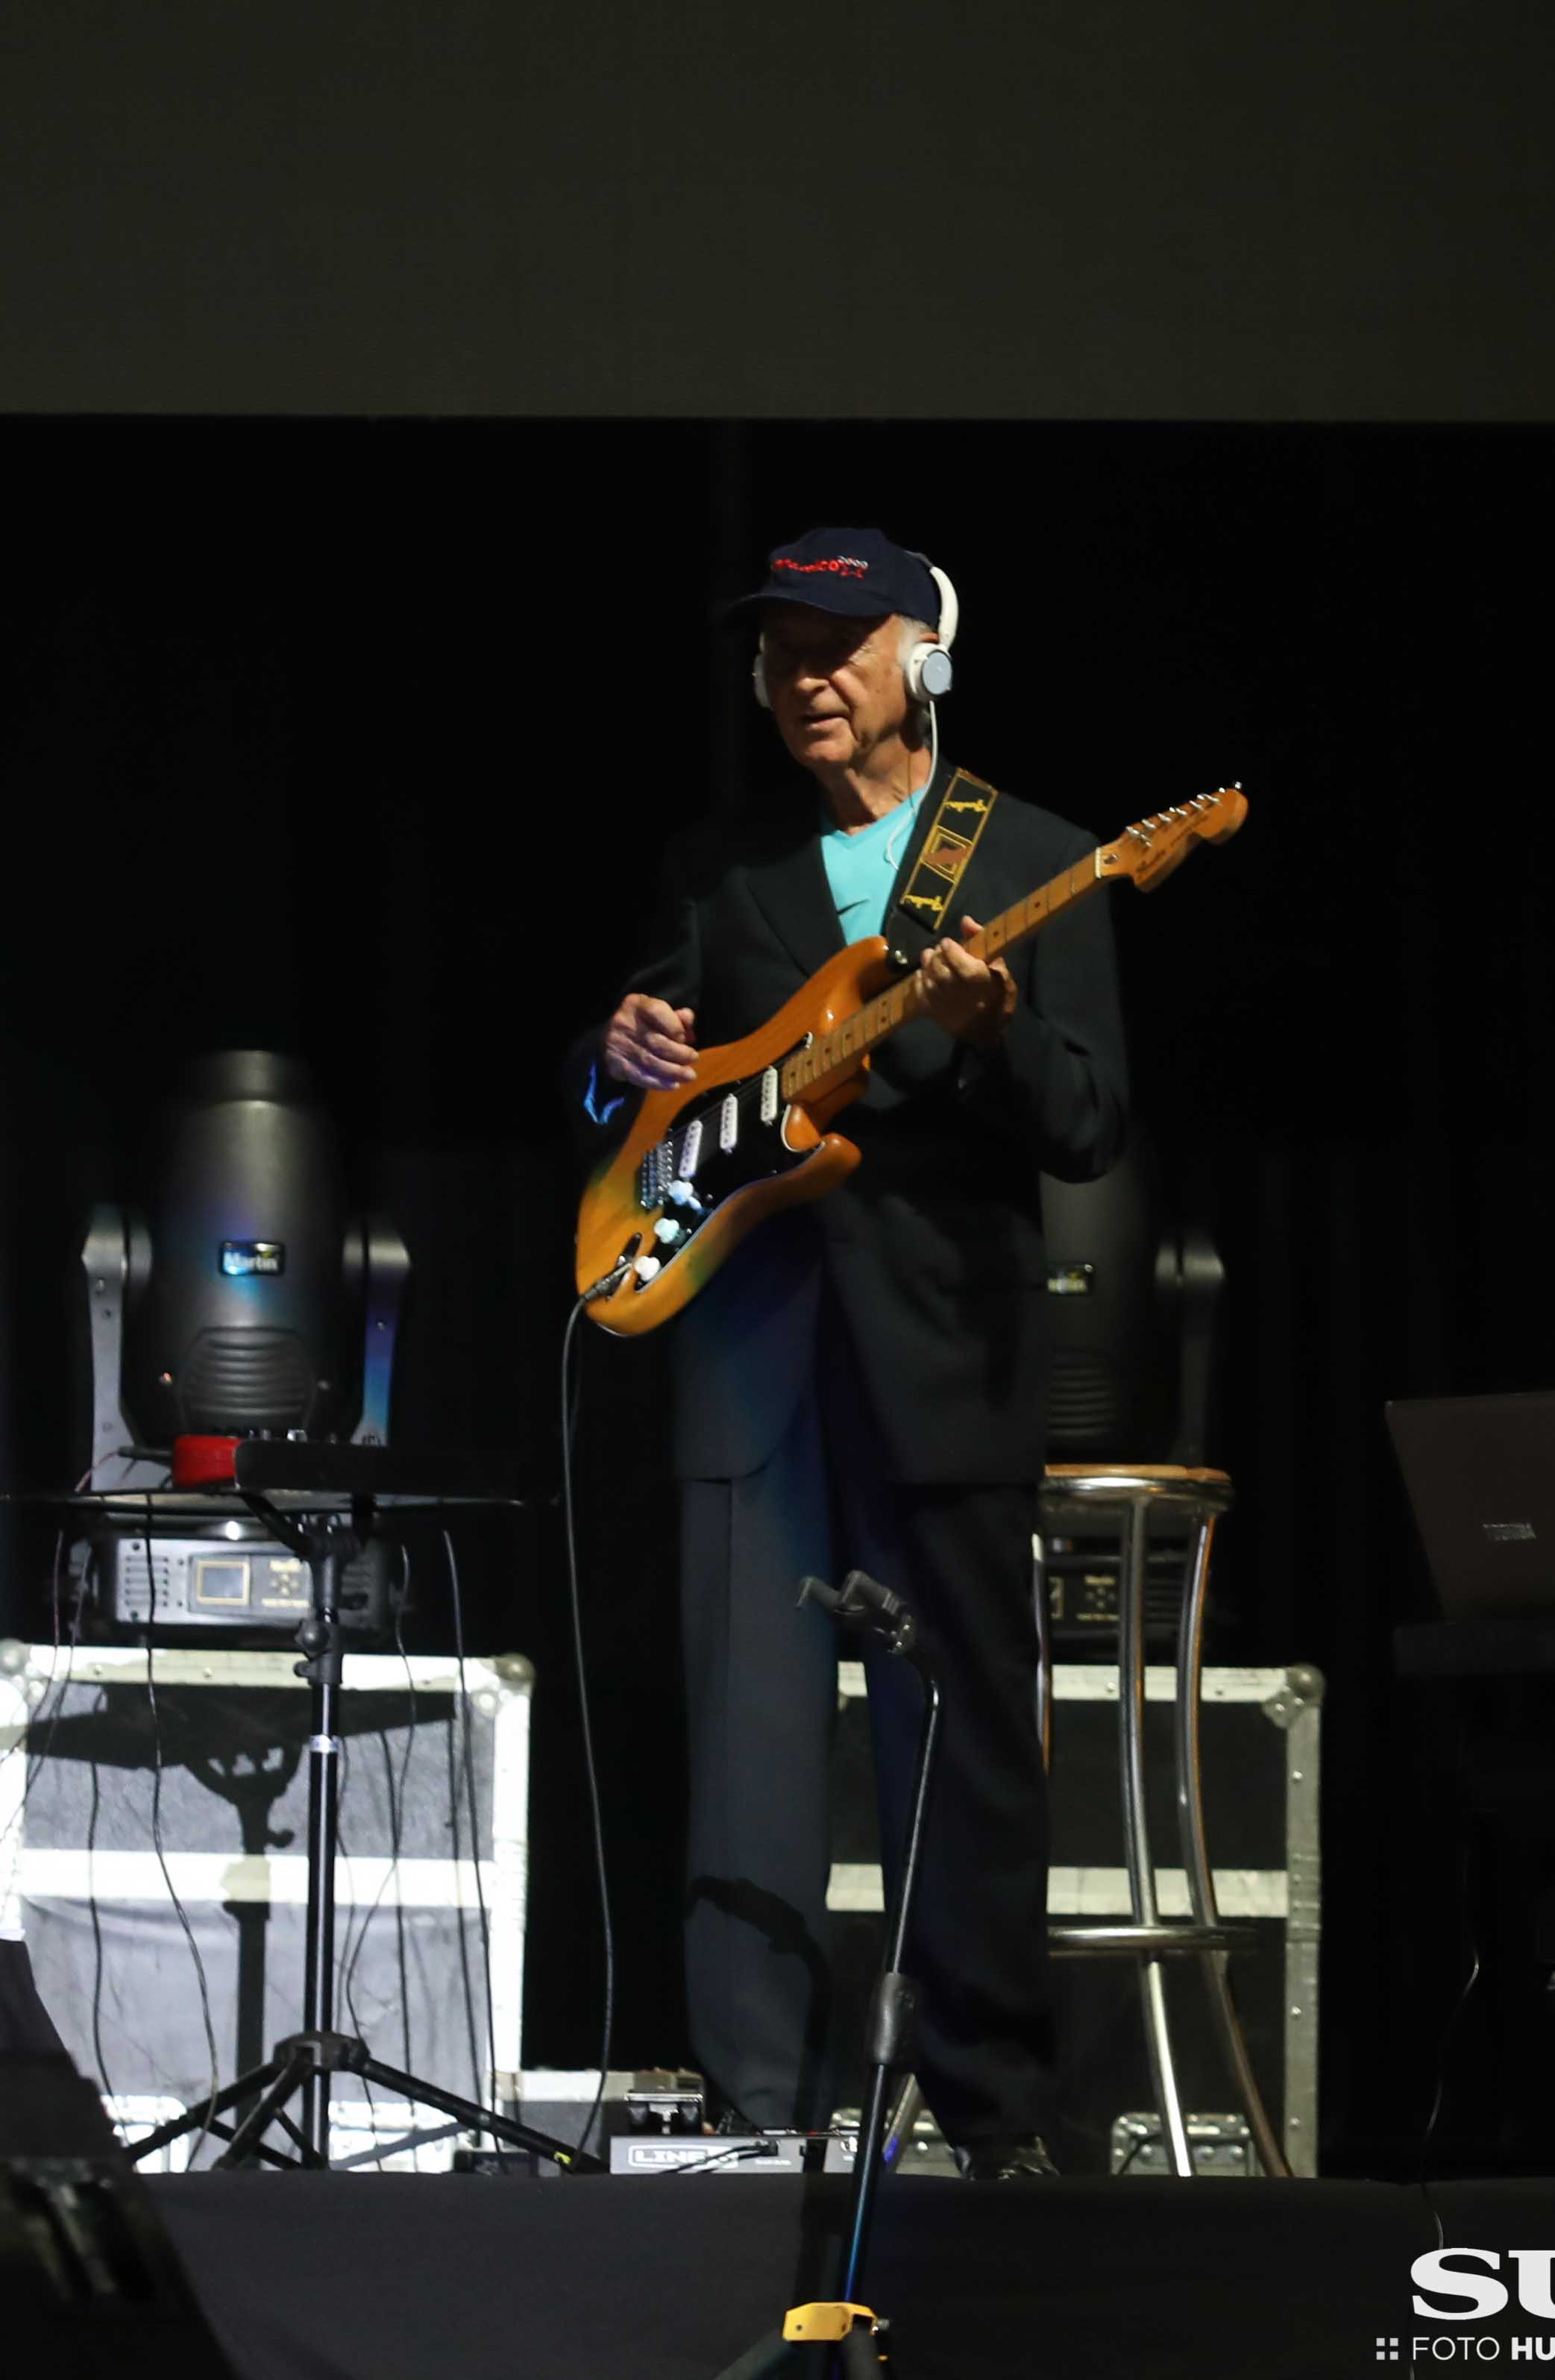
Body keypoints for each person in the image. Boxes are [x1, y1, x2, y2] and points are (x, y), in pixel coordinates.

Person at [573, 526, 1128, 2176]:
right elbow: (664, 1081)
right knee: (745, 1746)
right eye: (777, 652)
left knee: (953, 1742)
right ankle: (754, 2106)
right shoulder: (718, 865)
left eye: (838, 644)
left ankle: (988, 2110)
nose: (804, 676)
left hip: (938, 1354)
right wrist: (618, 1058)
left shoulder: (1039, 856)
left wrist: (993, 1035)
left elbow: (1089, 1124)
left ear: (923, 660)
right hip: (747, 1346)